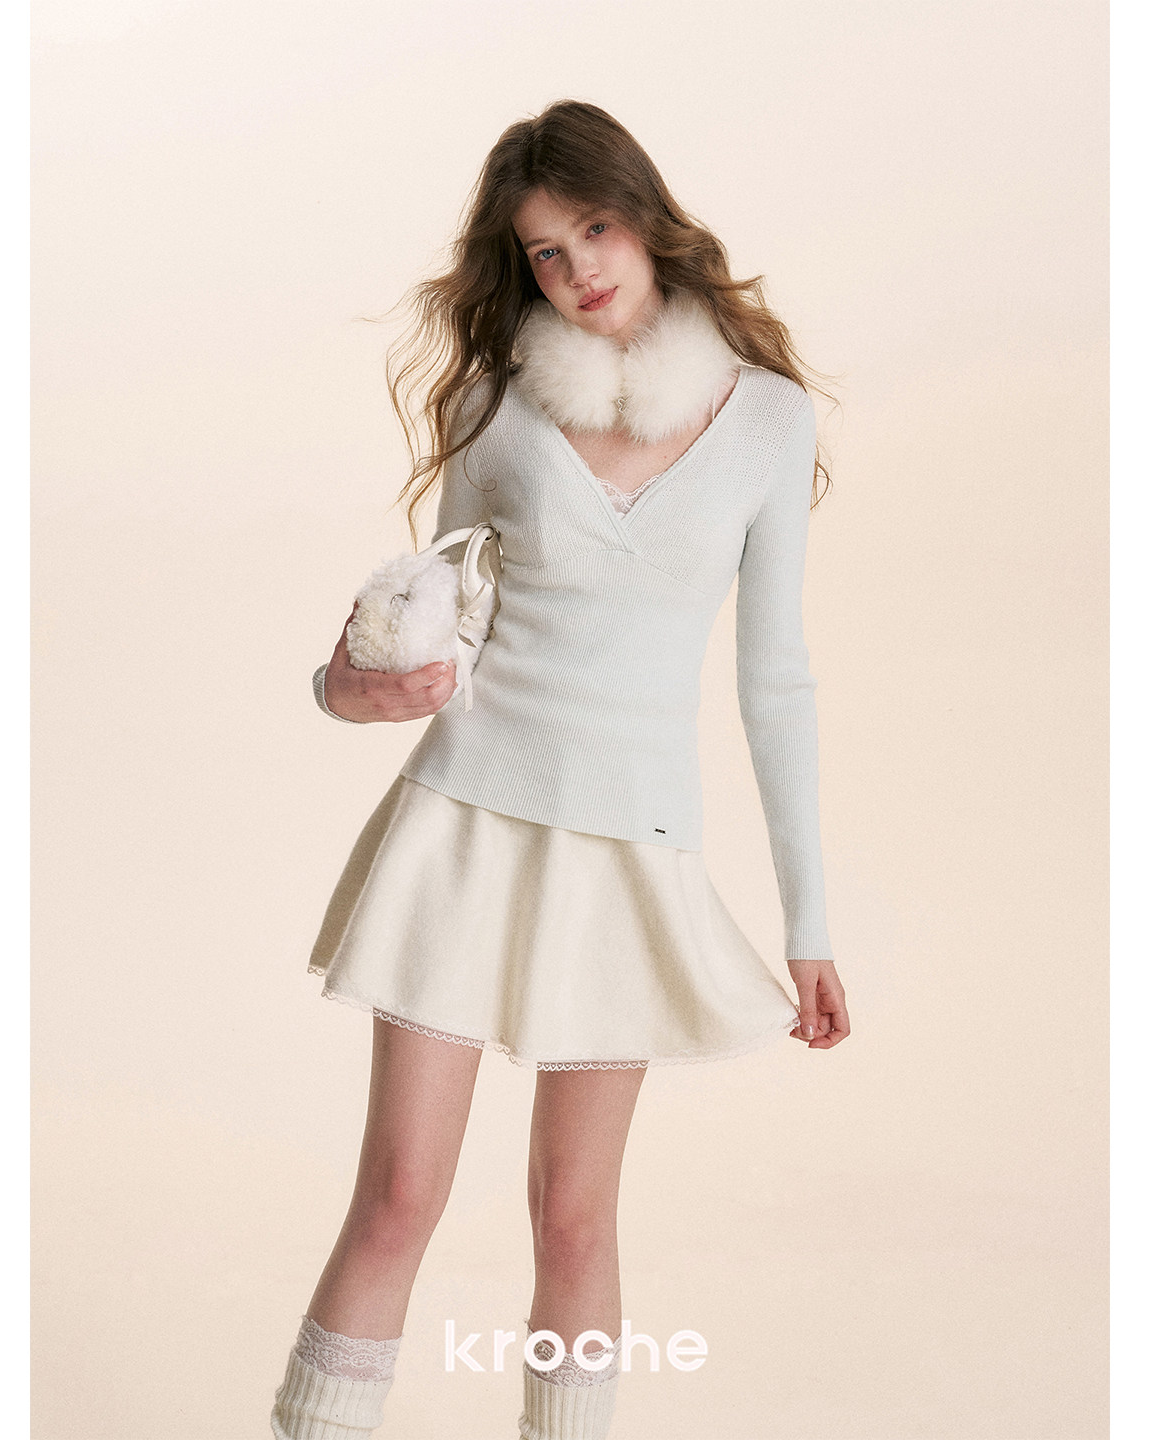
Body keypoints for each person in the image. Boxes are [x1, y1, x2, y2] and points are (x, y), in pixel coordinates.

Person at [271, 99, 852, 1440]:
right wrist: (347, 686)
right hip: (464, 824)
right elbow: (429, 625)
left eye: (594, 227)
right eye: (543, 250)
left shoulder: (768, 421)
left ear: (645, 218)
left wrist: (810, 924)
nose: (578, 266)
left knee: (574, 1218)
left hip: (631, 850)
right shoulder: (497, 407)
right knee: (399, 1196)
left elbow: (776, 682)